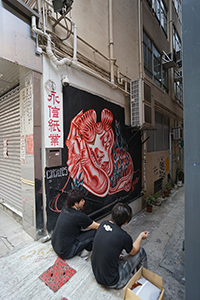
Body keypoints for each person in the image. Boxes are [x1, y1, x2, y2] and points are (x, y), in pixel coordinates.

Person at [91, 203, 148, 289]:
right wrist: (140, 236)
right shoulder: (123, 236)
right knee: (141, 251)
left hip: (97, 275)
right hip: (113, 281)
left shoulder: (103, 224)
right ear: (126, 222)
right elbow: (134, 251)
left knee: (119, 253)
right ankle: (144, 282)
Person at [51, 189, 100, 259]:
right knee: (96, 233)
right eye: (82, 200)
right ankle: (84, 255)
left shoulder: (65, 208)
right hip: (65, 252)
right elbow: (96, 226)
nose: (84, 201)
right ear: (76, 203)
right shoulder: (78, 216)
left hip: (55, 245)